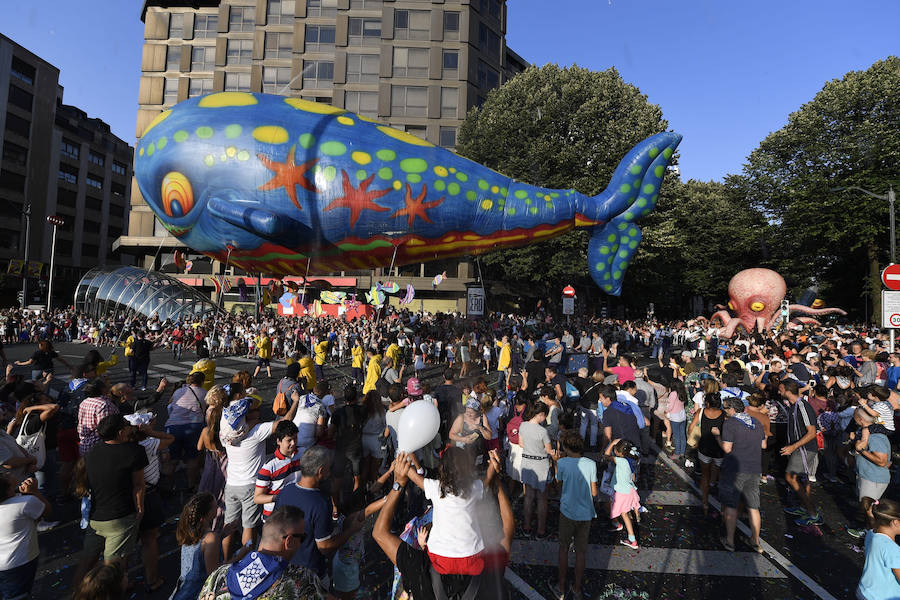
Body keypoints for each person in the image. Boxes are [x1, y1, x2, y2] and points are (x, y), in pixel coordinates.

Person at [222, 390, 300, 559]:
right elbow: (285, 422)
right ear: (248, 415)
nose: (259, 412)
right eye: (255, 410)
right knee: (249, 527)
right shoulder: (256, 431)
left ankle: (225, 561)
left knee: (229, 526)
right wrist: (295, 401)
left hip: (231, 484)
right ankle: (247, 560)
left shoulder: (227, 433)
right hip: (250, 484)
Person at [403, 446, 501, 576]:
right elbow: (488, 479)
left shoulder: (436, 488)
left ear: (442, 468)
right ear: (466, 467)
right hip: (472, 556)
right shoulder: (474, 487)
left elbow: (414, 476)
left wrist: (402, 458)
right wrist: (493, 462)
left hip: (440, 557)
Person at [199, 504, 329, 599]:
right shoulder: (303, 580)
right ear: (288, 541)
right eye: (303, 538)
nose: (302, 542)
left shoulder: (218, 575)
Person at [275, 446, 365, 581]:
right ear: (321, 471)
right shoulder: (320, 503)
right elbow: (324, 546)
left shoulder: (285, 491)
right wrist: (351, 530)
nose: (330, 472)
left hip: (283, 567)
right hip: (310, 575)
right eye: (329, 467)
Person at [83, 414, 148, 575]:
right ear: (120, 433)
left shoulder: (93, 451)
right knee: (112, 569)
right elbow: (139, 485)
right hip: (121, 516)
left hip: (95, 516)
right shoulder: (135, 452)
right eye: (126, 425)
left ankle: (78, 591)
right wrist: (140, 509)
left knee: (87, 562)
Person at [714, 396, 766, 553]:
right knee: (753, 507)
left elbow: (727, 449)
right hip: (755, 468)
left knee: (731, 505)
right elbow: (763, 445)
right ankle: (755, 541)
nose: (724, 411)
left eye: (725, 408)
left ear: (731, 409)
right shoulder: (756, 422)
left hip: (735, 469)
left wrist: (717, 436)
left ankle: (730, 541)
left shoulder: (730, 423)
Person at [549, 431, 597, 600]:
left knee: (563, 548)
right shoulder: (591, 464)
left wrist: (556, 464)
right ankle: (577, 587)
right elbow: (594, 491)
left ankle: (561, 586)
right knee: (581, 552)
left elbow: (557, 484)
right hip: (585, 514)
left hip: (568, 512)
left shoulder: (563, 463)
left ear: (566, 447)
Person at [0, 474, 50, 600]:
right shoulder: (25, 503)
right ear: (7, 489)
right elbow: (46, 511)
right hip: (20, 562)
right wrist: (34, 492)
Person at [779, 379, 822, 526]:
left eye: (780, 389)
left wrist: (793, 447)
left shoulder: (802, 406)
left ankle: (812, 513)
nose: (779, 392)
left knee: (791, 477)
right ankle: (803, 507)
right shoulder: (794, 405)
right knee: (802, 478)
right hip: (800, 448)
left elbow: (811, 432)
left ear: (785, 389)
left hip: (804, 449)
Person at [171, 492, 226, 600]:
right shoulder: (211, 538)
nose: (218, 507)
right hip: (197, 593)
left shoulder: (189, 530)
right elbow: (213, 576)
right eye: (215, 506)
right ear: (207, 514)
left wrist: (222, 534)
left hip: (183, 590)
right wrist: (239, 557)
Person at [847, 408, 892, 539]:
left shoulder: (876, 437)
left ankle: (874, 538)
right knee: (867, 508)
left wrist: (861, 451)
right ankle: (868, 531)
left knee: (870, 510)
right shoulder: (867, 433)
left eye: (854, 417)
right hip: (867, 476)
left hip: (874, 479)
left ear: (860, 419)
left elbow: (882, 461)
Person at [164, 371, 208, 487]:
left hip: (173, 426)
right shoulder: (205, 393)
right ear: (202, 382)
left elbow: (170, 406)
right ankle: (191, 485)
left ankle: (168, 485)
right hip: (194, 427)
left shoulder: (178, 391)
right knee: (193, 458)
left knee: (172, 459)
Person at [518, 402, 554, 538]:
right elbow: (549, 450)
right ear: (542, 415)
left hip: (527, 463)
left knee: (528, 497)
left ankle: (526, 526)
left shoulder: (523, 425)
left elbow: (521, 444)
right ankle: (541, 529)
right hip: (541, 465)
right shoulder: (543, 431)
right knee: (542, 499)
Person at [254, 420, 302, 519]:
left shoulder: (303, 453)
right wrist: (280, 497)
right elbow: (257, 498)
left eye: (295, 438)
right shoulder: (269, 467)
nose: (293, 443)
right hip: (274, 517)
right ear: (278, 441)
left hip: (295, 512)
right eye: (289, 440)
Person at [689, 391, 725, 515]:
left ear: (707, 403)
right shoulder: (724, 415)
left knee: (705, 475)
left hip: (704, 448)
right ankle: (722, 506)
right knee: (721, 476)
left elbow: (691, 428)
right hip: (720, 449)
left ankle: (705, 503)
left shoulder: (701, 412)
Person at [857, 498, 900, 600]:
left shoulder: (872, 534)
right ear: (895, 522)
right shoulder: (893, 550)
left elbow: (873, 525)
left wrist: (871, 516)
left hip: (865, 591)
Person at [604, 439, 641, 549]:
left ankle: (620, 528)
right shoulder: (630, 461)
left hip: (622, 493)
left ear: (618, 452)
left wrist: (612, 443)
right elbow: (633, 477)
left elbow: (606, 456)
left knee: (619, 511)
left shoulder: (620, 461)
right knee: (623, 513)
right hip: (629, 491)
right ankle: (631, 538)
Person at [329, 384, 365, 491]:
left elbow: (330, 433)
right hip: (356, 448)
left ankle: (335, 506)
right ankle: (356, 501)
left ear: (344, 397)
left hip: (341, 448)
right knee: (357, 478)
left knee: (337, 479)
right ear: (356, 398)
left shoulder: (337, 413)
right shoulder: (362, 410)